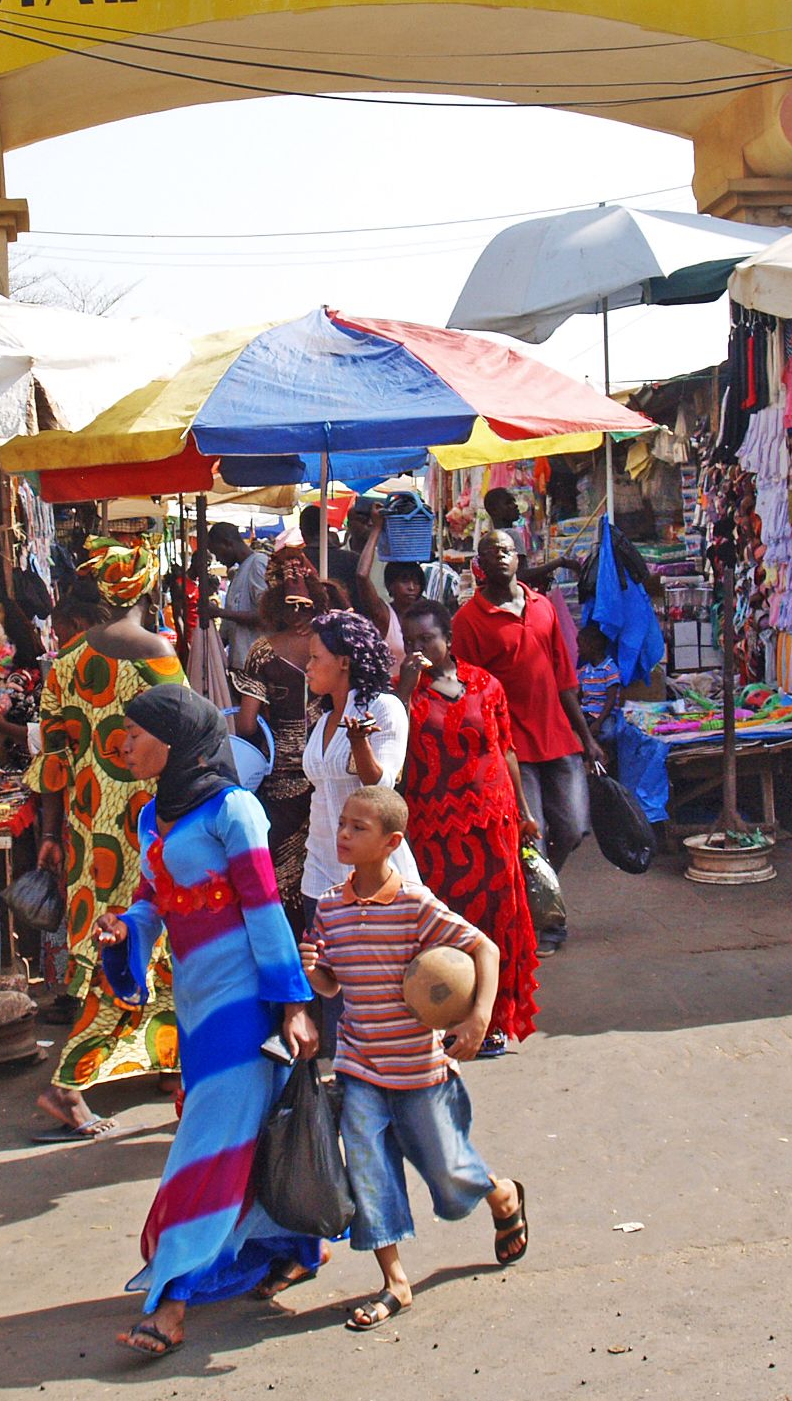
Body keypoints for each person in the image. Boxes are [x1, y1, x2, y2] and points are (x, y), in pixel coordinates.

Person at [93, 684, 323, 1359]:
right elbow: (150, 906)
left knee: (205, 1147)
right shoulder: (152, 819)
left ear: (173, 739)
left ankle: (170, 1300)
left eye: (136, 734)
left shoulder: (236, 810)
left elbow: (264, 911)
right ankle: (290, 1251)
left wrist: (293, 1003)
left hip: (244, 1007)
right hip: (194, 1006)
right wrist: (122, 933)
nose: (126, 745)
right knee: (238, 1140)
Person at [301, 785, 529, 1330]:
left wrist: (478, 1019)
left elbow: (485, 949)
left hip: (419, 1069)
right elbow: (334, 987)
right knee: (369, 1173)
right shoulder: (330, 907)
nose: (345, 835)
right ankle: (395, 1283)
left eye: (359, 827)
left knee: (450, 1179)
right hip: (359, 1066)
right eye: (343, 825)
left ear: (392, 841)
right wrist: (317, 973)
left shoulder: (415, 905)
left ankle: (501, 1196)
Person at [31, 542, 183, 1140]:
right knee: (148, 935)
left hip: (87, 824)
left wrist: (48, 832)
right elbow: (184, 736)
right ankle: (68, 1085)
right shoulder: (157, 652)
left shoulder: (66, 660)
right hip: (146, 818)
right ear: (145, 590)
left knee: (117, 937)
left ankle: (174, 1060)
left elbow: (53, 757)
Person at [396, 600, 542, 1048]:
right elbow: (391, 746)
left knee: (497, 921)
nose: (418, 649)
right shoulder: (404, 693)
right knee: (443, 924)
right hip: (434, 829)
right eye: (410, 641)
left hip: (492, 822)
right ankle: (442, 1013)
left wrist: (524, 811)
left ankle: (491, 1019)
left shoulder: (486, 685)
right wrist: (402, 688)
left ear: (449, 641)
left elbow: (507, 750)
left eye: (427, 640)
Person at [453, 529, 605, 898]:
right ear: (481, 563)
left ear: (518, 558)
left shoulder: (543, 607)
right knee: (530, 831)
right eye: (492, 552)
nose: (501, 557)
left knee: (572, 827)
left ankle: (539, 888)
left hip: (557, 736)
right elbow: (467, 691)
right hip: (509, 746)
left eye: (507, 551)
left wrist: (587, 738)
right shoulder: (469, 620)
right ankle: (544, 914)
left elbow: (564, 678)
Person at [299, 610, 416, 906]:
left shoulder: (383, 708)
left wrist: (358, 742)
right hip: (319, 871)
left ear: (344, 662)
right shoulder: (324, 717)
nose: (308, 667)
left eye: (315, 658)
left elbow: (382, 787)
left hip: (371, 875)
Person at [233, 543, 327, 908]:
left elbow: (244, 725)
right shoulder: (331, 644)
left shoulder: (263, 650)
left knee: (277, 875)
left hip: (281, 777)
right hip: (327, 767)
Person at [205, 521, 267, 675]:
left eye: (217, 552)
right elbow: (229, 625)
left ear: (227, 543)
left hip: (255, 667)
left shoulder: (257, 564)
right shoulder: (238, 572)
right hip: (238, 664)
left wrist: (220, 612)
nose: (217, 559)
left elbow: (266, 615)